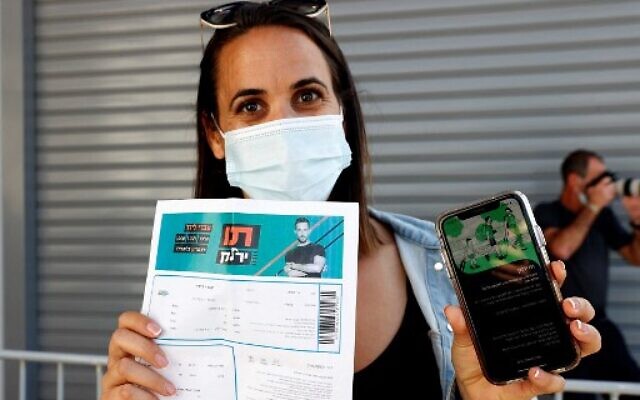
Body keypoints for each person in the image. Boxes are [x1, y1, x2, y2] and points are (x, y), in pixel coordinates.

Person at [101, 3, 601, 399]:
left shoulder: (440, 269)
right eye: (251, 105)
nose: (284, 127)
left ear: (341, 111)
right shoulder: (177, 308)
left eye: (307, 96)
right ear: (215, 134)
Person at [534, 149, 640, 400]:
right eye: (599, 179)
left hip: (599, 323)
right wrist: (594, 205)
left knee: (632, 388)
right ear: (574, 181)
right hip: (562, 331)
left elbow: (635, 256)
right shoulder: (547, 212)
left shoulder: (603, 217)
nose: (606, 186)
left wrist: (637, 219)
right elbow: (561, 248)